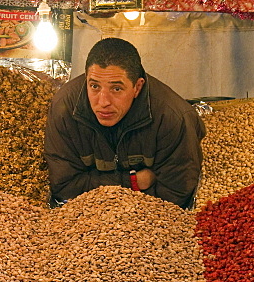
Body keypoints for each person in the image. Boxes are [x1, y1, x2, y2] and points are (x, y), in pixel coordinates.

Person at [45, 38, 205, 209]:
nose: (103, 101)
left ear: (137, 87)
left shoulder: (173, 117)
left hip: (149, 228)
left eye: (116, 89)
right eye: (94, 86)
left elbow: (175, 196)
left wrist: (124, 217)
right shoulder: (65, 109)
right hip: (83, 223)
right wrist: (133, 181)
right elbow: (64, 187)